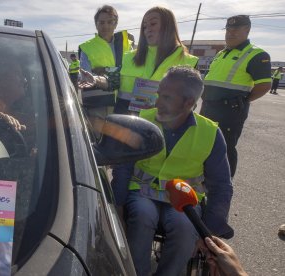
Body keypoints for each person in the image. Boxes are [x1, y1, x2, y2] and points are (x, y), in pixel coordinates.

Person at [112, 66, 233, 275]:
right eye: (158, 94)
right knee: (141, 217)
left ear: (188, 103)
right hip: (142, 192)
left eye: (166, 98)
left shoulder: (210, 133)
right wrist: (118, 207)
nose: (157, 102)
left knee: (186, 229)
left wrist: (209, 232)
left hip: (185, 199)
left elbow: (221, 186)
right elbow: (123, 167)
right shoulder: (142, 120)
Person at [200, 15, 272, 178]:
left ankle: (224, 187)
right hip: (208, 107)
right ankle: (204, 182)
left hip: (229, 111)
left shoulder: (256, 54)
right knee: (204, 145)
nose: (230, 33)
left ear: (247, 30)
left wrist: (242, 101)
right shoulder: (221, 53)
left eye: (236, 29)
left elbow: (264, 86)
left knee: (224, 148)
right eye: (228, 29)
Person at [78, 5, 133, 125]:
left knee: (121, 142)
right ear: (96, 24)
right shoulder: (87, 47)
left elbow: (131, 73)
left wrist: (104, 70)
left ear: (116, 24)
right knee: (98, 141)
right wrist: (118, 72)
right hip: (99, 106)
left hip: (124, 103)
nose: (106, 26)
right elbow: (85, 76)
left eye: (110, 22)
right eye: (101, 22)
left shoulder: (127, 44)